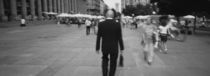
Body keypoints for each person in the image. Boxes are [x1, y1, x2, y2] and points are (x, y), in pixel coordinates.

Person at [96, 9, 124, 76]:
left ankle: (105, 74)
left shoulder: (101, 24)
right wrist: (122, 48)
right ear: (113, 15)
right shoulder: (117, 24)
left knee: (104, 60)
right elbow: (119, 37)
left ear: (106, 15)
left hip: (105, 47)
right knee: (113, 63)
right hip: (114, 48)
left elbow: (98, 37)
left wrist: (97, 48)